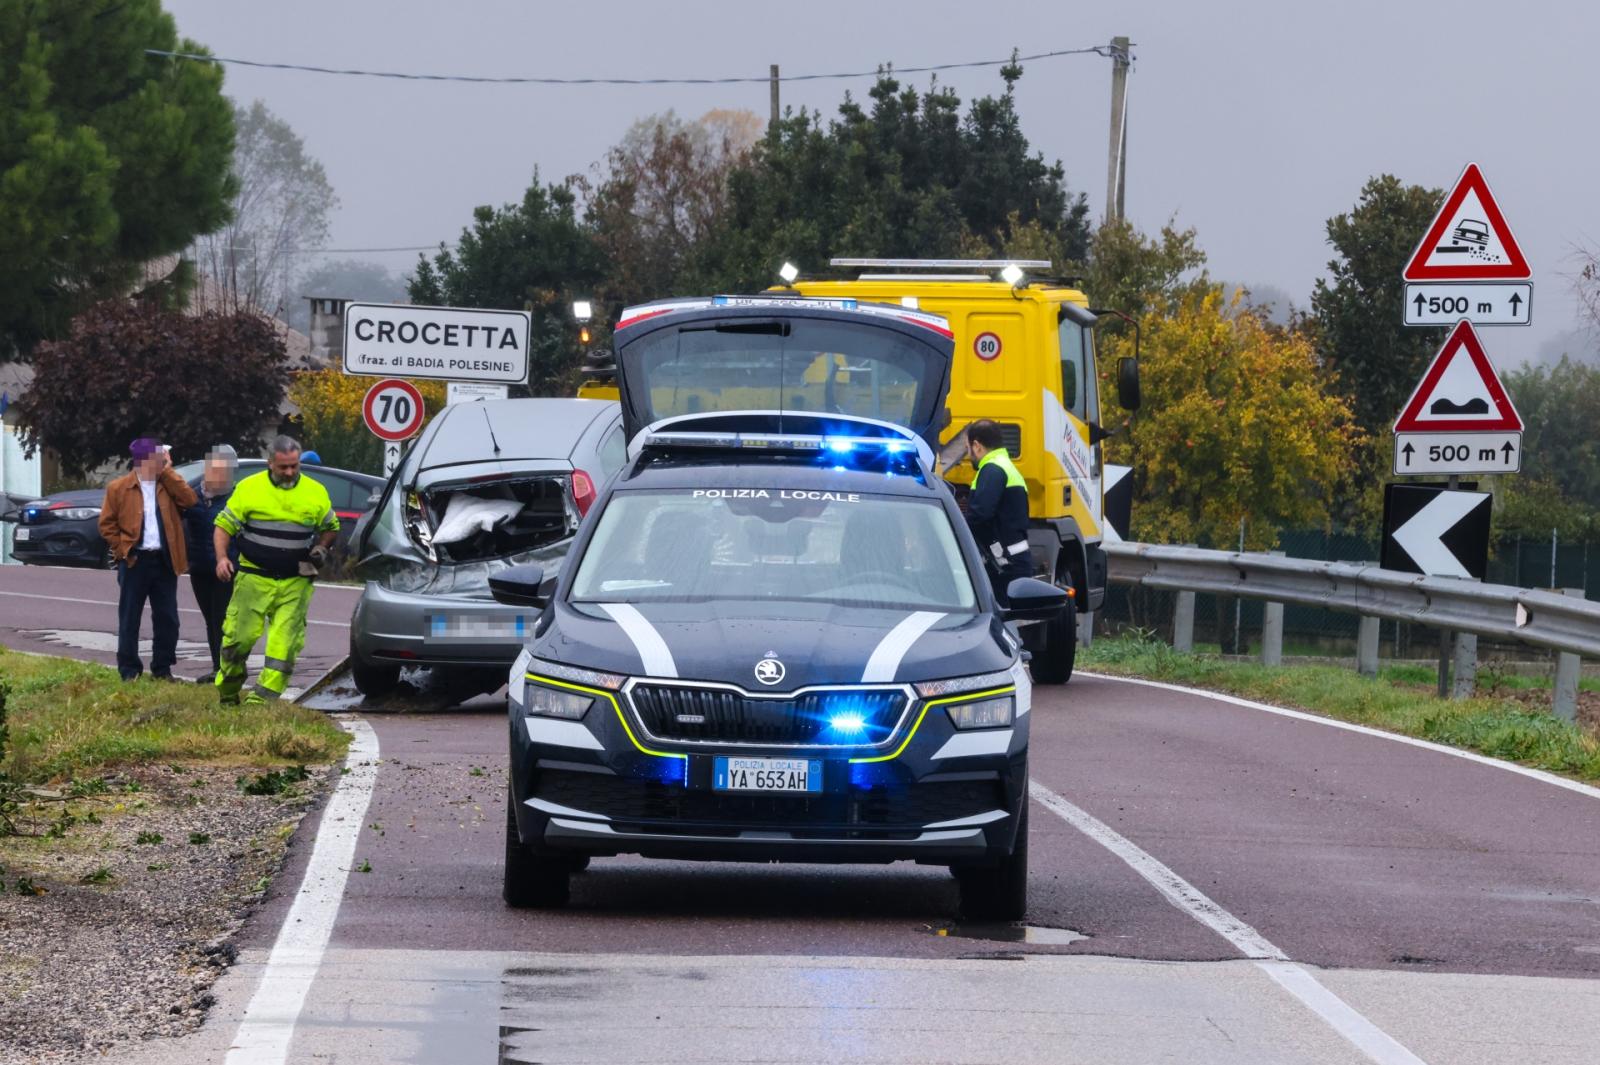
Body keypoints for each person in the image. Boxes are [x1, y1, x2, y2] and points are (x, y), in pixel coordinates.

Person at [212, 436, 339, 704]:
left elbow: (330, 528)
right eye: (283, 467)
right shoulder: (249, 488)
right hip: (254, 576)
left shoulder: (315, 492)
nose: (290, 472)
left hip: (296, 579)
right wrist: (222, 558)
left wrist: (321, 549)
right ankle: (228, 691)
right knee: (238, 641)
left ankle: (261, 702)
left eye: (294, 466)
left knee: (284, 646)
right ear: (270, 463)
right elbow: (224, 526)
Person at [98, 437, 198, 681]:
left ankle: (162, 668)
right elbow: (107, 524)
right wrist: (122, 549)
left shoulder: (167, 485)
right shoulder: (119, 488)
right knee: (130, 616)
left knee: (168, 618)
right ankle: (129, 670)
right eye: (157, 459)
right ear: (142, 462)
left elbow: (190, 500)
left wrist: (169, 472)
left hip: (164, 560)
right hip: (135, 560)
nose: (162, 463)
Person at [183, 445, 239, 674]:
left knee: (222, 619)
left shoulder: (235, 497)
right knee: (210, 619)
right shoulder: (192, 495)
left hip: (226, 567)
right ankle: (218, 666)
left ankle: (227, 668)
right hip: (199, 567)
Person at [964, 420, 1032, 601]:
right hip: (1014, 562)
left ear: (977, 446)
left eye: (968, 448)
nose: (968, 454)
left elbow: (979, 516)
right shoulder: (1006, 467)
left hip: (1004, 566)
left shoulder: (992, 469)